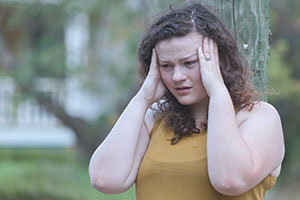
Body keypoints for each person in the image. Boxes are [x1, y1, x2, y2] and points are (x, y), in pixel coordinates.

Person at [88, 1, 285, 200]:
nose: (177, 76)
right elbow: (104, 180)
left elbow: (230, 180)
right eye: (166, 66)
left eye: (189, 63)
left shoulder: (258, 117)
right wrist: (142, 99)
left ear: (218, 60)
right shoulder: (153, 119)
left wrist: (217, 90)